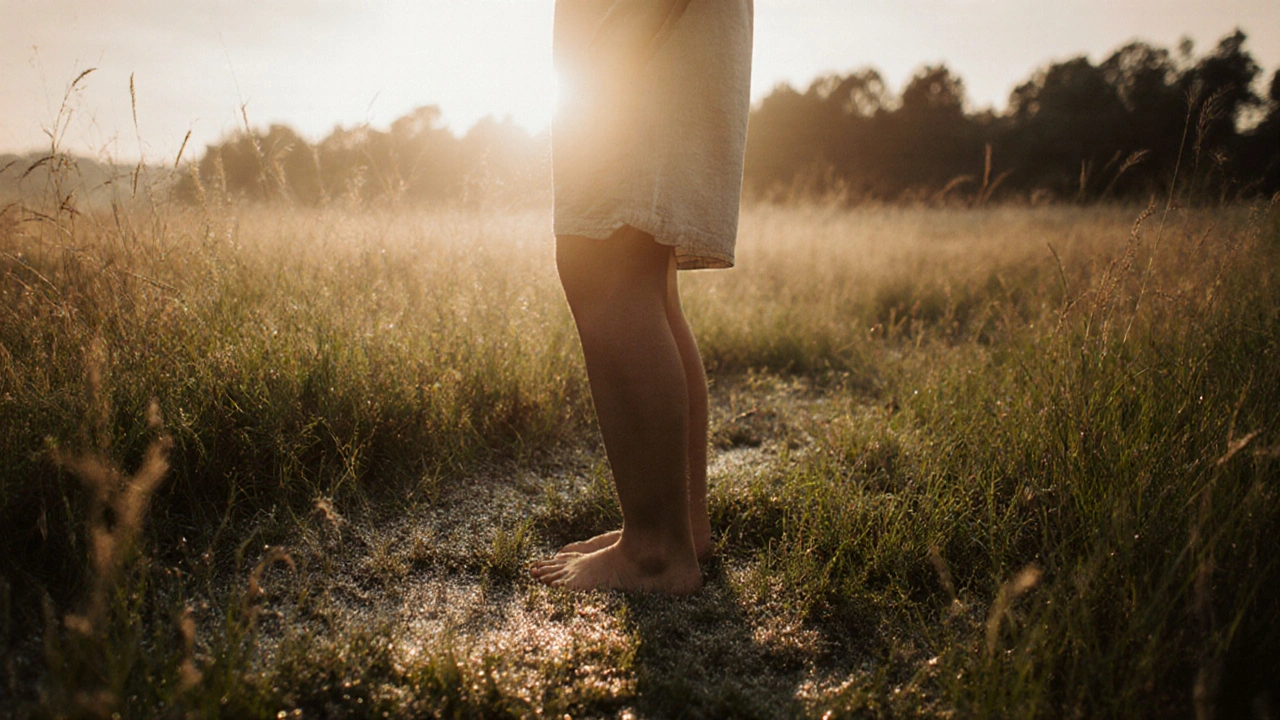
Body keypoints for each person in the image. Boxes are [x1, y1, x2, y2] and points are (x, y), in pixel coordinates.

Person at [529, 0, 754, 594]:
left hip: (640, 37)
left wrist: (613, 41)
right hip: (654, 39)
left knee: (603, 263)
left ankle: (655, 551)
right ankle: (678, 526)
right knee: (640, 269)